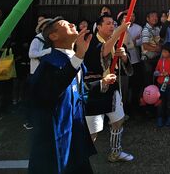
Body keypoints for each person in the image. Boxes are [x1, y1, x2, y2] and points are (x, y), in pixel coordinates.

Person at [28, 16, 113, 174]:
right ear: (54, 36)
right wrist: (79, 55)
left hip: (75, 128)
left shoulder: (73, 59)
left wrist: (101, 83)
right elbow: (52, 90)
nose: (73, 24)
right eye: (65, 25)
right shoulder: (49, 62)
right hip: (57, 130)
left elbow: (77, 91)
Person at [84, 14, 133, 163]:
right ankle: (79, 159)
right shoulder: (91, 41)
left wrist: (123, 57)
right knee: (93, 132)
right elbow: (103, 52)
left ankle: (115, 152)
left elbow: (124, 70)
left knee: (118, 121)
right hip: (94, 89)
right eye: (108, 24)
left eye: (113, 24)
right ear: (98, 27)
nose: (112, 26)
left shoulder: (116, 43)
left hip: (112, 88)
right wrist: (120, 30)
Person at [118, 11, 143, 112]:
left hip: (135, 59)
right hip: (122, 62)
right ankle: (123, 108)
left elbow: (140, 42)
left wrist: (132, 42)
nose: (130, 18)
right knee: (124, 86)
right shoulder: (117, 29)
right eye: (126, 17)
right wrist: (133, 41)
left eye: (133, 15)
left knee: (135, 84)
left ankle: (134, 106)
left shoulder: (138, 28)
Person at [154, 42, 170, 127]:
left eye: (165, 52)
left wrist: (168, 73)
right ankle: (160, 118)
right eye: (163, 51)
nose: (163, 53)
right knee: (160, 102)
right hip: (160, 84)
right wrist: (159, 73)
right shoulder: (160, 61)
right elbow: (156, 71)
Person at [141, 11, 162, 85]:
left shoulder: (157, 29)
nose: (155, 18)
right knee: (148, 80)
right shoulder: (146, 30)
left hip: (155, 59)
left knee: (155, 79)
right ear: (147, 19)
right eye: (152, 16)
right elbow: (145, 46)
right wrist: (157, 49)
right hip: (147, 60)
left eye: (156, 16)